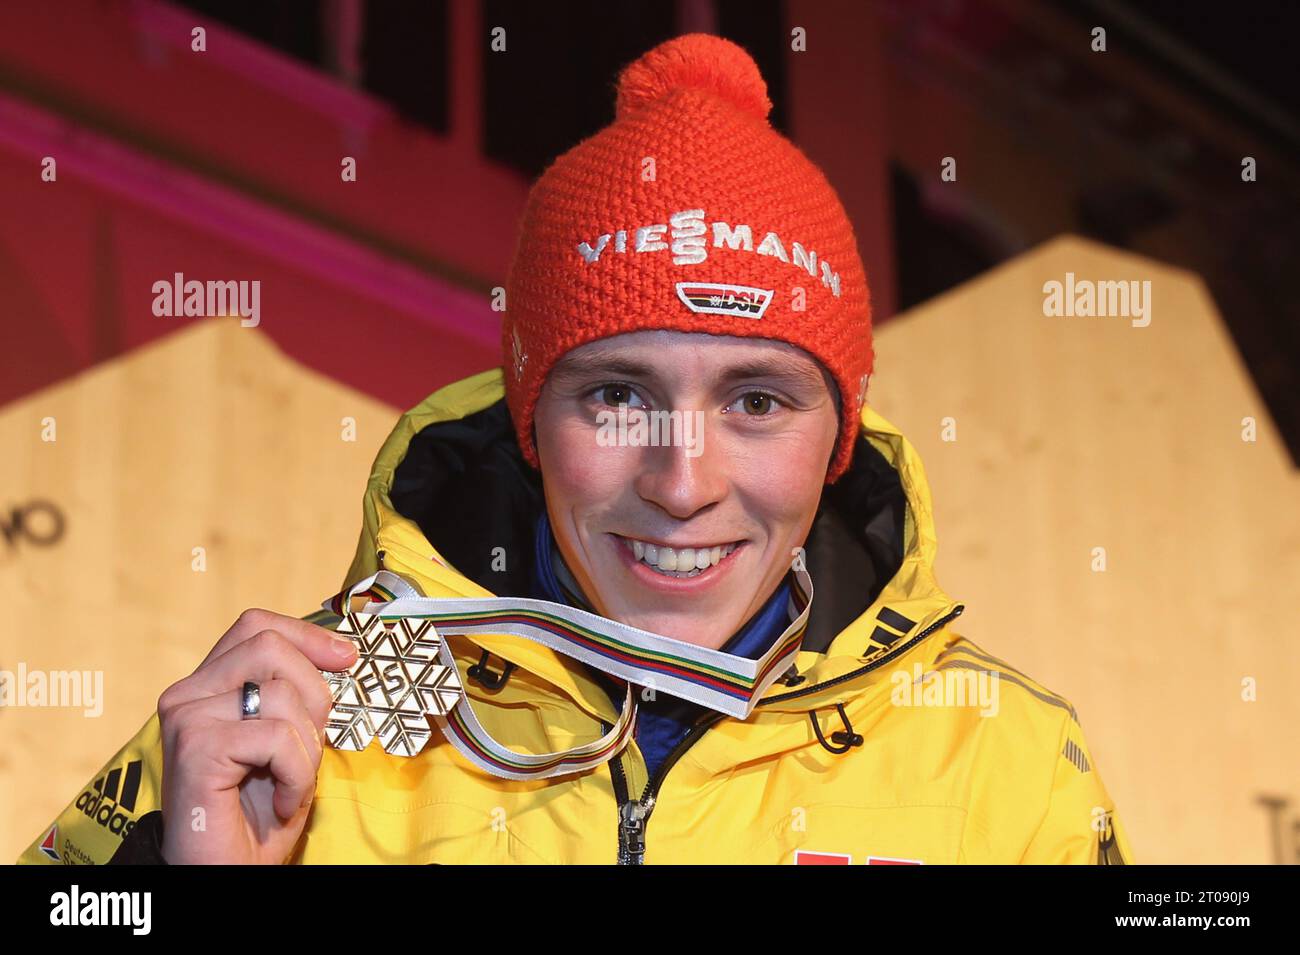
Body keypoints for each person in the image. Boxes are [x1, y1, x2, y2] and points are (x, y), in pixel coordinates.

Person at [17, 33, 1132, 866]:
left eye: (756, 400)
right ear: (527, 422)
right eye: (612, 394)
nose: (683, 481)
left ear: (839, 438)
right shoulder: (298, 717)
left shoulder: (1003, 760)